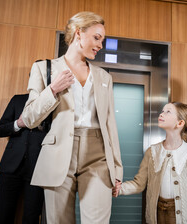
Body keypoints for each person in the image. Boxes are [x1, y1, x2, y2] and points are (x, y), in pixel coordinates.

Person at [20, 12, 123, 224]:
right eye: (97, 38)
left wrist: (117, 169)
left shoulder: (104, 77)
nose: (100, 45)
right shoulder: (43, 69)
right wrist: (53, 89)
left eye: (102, 40)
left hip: (98, 155)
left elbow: (110, 124)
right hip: (58, 153)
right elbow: (29, 118)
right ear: (79, 33)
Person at [113, 102, 187, 224]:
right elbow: (139, 183)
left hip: (180, 216)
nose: (161, 114)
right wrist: (119, 189)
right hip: (156, 214)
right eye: (162, 111)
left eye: (168, 112)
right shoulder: (152, 151)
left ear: (180, 123)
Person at [0, 94, 44, 224]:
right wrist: (18, 124)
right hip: (10, 167)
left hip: (38, 170)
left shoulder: (56, 103)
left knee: (31, 218)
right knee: (3, 216)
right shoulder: (18, 100)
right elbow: (0, 130)